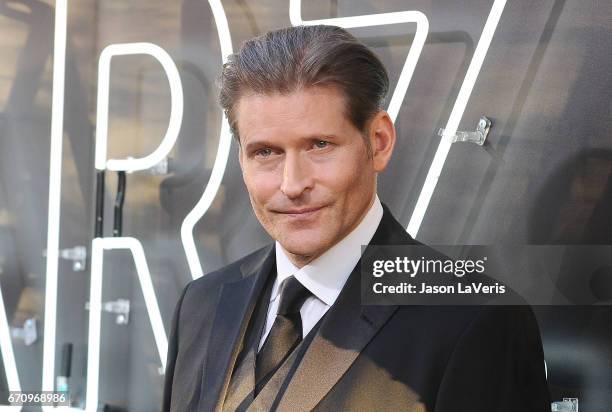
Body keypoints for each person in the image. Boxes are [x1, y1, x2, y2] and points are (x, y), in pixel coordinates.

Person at [162, 25, 550, 411]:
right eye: (266, 152)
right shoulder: (202, 303)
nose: (293, 184)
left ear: (378, 142)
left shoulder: (477, 323)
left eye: (320, 145)